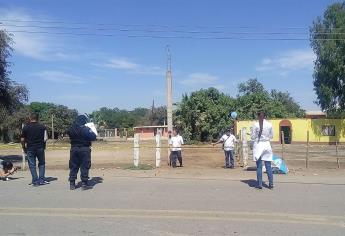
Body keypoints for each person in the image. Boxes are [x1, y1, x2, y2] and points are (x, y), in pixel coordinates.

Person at [67, 115, 97, 190]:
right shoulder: (86, 129)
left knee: (73, 166)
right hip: (84, 149)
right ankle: (84, 183)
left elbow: (69, 134)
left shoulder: (71, 129)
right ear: (84, 121)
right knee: (84, 166)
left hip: (74, 149)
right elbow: (93, 137)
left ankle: (72, 183)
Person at [21, 112, 49, 186]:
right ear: (37, 118)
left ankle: (35, 181)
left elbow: (22, 139)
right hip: (40, 147)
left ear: (30, 118)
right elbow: (45, 138)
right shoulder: (43, 127)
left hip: (30, 148)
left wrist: (24, 147)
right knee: (42, 163)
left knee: (32, 165)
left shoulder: (26, 127)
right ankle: (42, 179)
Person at [251, 111, 274, 190]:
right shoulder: (269, 124)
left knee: (259, 167)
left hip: (258, 145)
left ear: (258, 116)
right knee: (268, 166)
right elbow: (271, 136)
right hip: (267, 145)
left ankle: (260, 185)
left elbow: (253, 137)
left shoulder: (255, 124)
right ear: (265, 116)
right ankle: (271, 185)